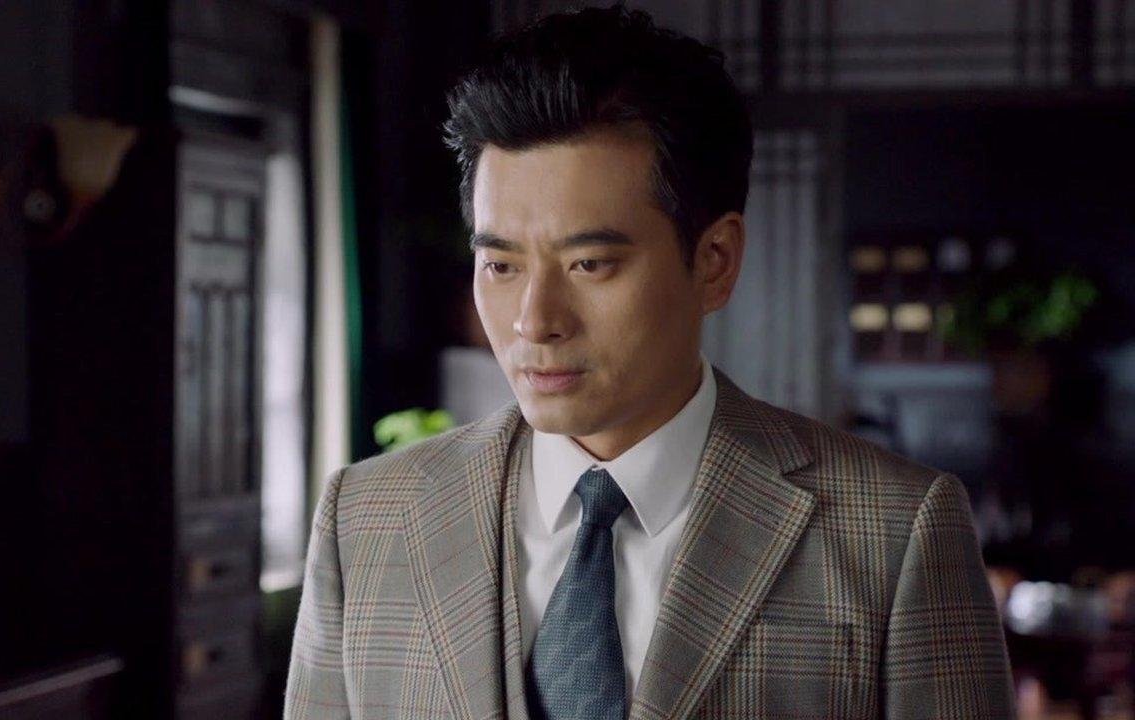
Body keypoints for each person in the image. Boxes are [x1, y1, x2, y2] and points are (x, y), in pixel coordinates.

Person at [285, 6, 1015, 719]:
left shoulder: (893, 532)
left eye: (590, 264)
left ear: (715, 260)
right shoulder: (366, 519)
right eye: (501, 266)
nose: (534, 320)